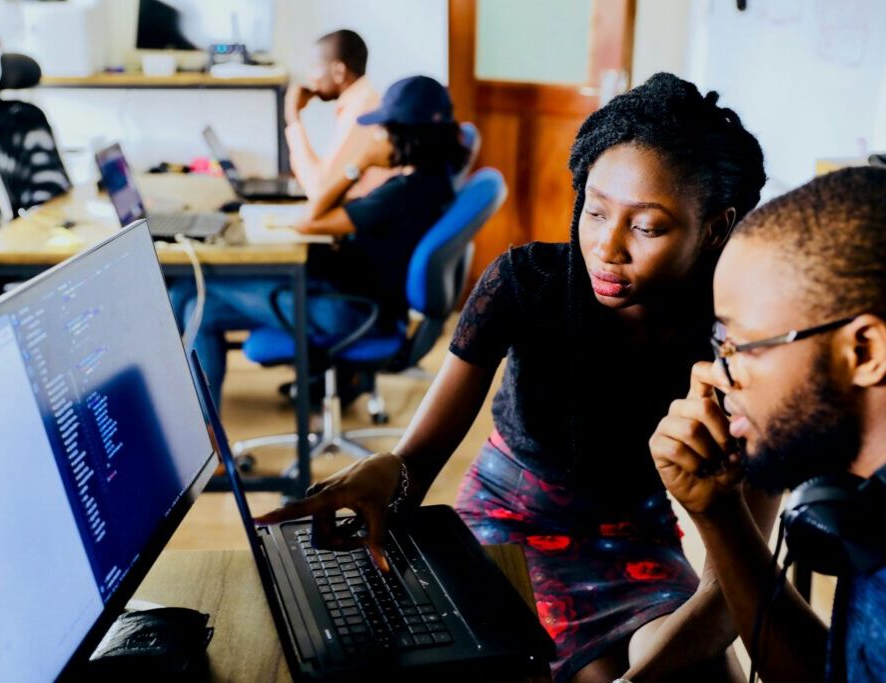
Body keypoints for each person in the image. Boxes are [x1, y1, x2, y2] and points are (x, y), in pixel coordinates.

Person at [257, 73, 770, 682]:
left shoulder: (743, 346)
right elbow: (417, 460)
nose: (606, 246)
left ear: (715, 227)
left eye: (646, 227)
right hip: (505, 524)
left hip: (635, 544)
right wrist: (387, 473)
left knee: (704, 674)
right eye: (596, 210)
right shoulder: (526, 284)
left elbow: (736, 588)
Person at [649, 166, 886, 683]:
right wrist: (718, 513)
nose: (715, 374)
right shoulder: (867, 502)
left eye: (741, 346)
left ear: (864, 351)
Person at [172, 76, 469, 408]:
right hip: (360, 300)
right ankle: (206, 430)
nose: (376, 136)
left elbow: (309, 220)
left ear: (404, 134)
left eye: (382, 129)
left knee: (191, 293)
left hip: (348, 311)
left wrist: (359, 164)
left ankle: (196, 428)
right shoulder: (435, 181)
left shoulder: (402, 194)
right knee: (197, 306)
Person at [285, 28, 392, 199]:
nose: (310, 77)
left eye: (315, 67)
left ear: (339, 72)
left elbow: (319, 190)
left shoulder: (361, 110)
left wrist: (293, 118)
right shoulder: (361, 101)